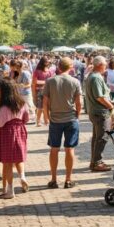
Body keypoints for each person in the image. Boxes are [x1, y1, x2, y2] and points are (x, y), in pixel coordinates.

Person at [43, 57, 82, 189]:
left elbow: (45, 102)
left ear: (58, 67)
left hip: (55, 119)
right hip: (71, 119)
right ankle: (68, 180)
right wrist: (77, 115)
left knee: (54, 149)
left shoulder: (50, 81)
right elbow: (79, 103)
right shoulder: (75, 81)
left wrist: (46, 117)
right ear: (71, 67)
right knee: (69, 149)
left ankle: (53, 179)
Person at [0, 79, 30, 199]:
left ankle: (10, 190)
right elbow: (26, 119)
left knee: (7, 163)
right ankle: (22, 176)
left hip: (7, 133)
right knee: (18, 157)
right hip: (20, 131)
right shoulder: (22, 103)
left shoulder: (4, 107)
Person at [85, 56, 114, 172]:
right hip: (100, 112)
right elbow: (99, 97)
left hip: (96, 111)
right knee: (102, 138)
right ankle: (97, 162)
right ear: (100, 65)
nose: (106, 66)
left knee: (97, 138)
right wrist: (111, 106)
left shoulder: (93, 76)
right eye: (105, 64)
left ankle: (94, 161)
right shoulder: (96, 77)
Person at [32, 57, 54, 127]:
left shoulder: (49, 71)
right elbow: (34, 82)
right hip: (41, 91)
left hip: (45, 90)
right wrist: (46, 82)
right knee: (41, 107)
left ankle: (46, 121)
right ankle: (39, 121)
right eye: (47, 62)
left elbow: (51, 81)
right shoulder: (38, 71)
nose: (48, 63)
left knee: (46, 107)